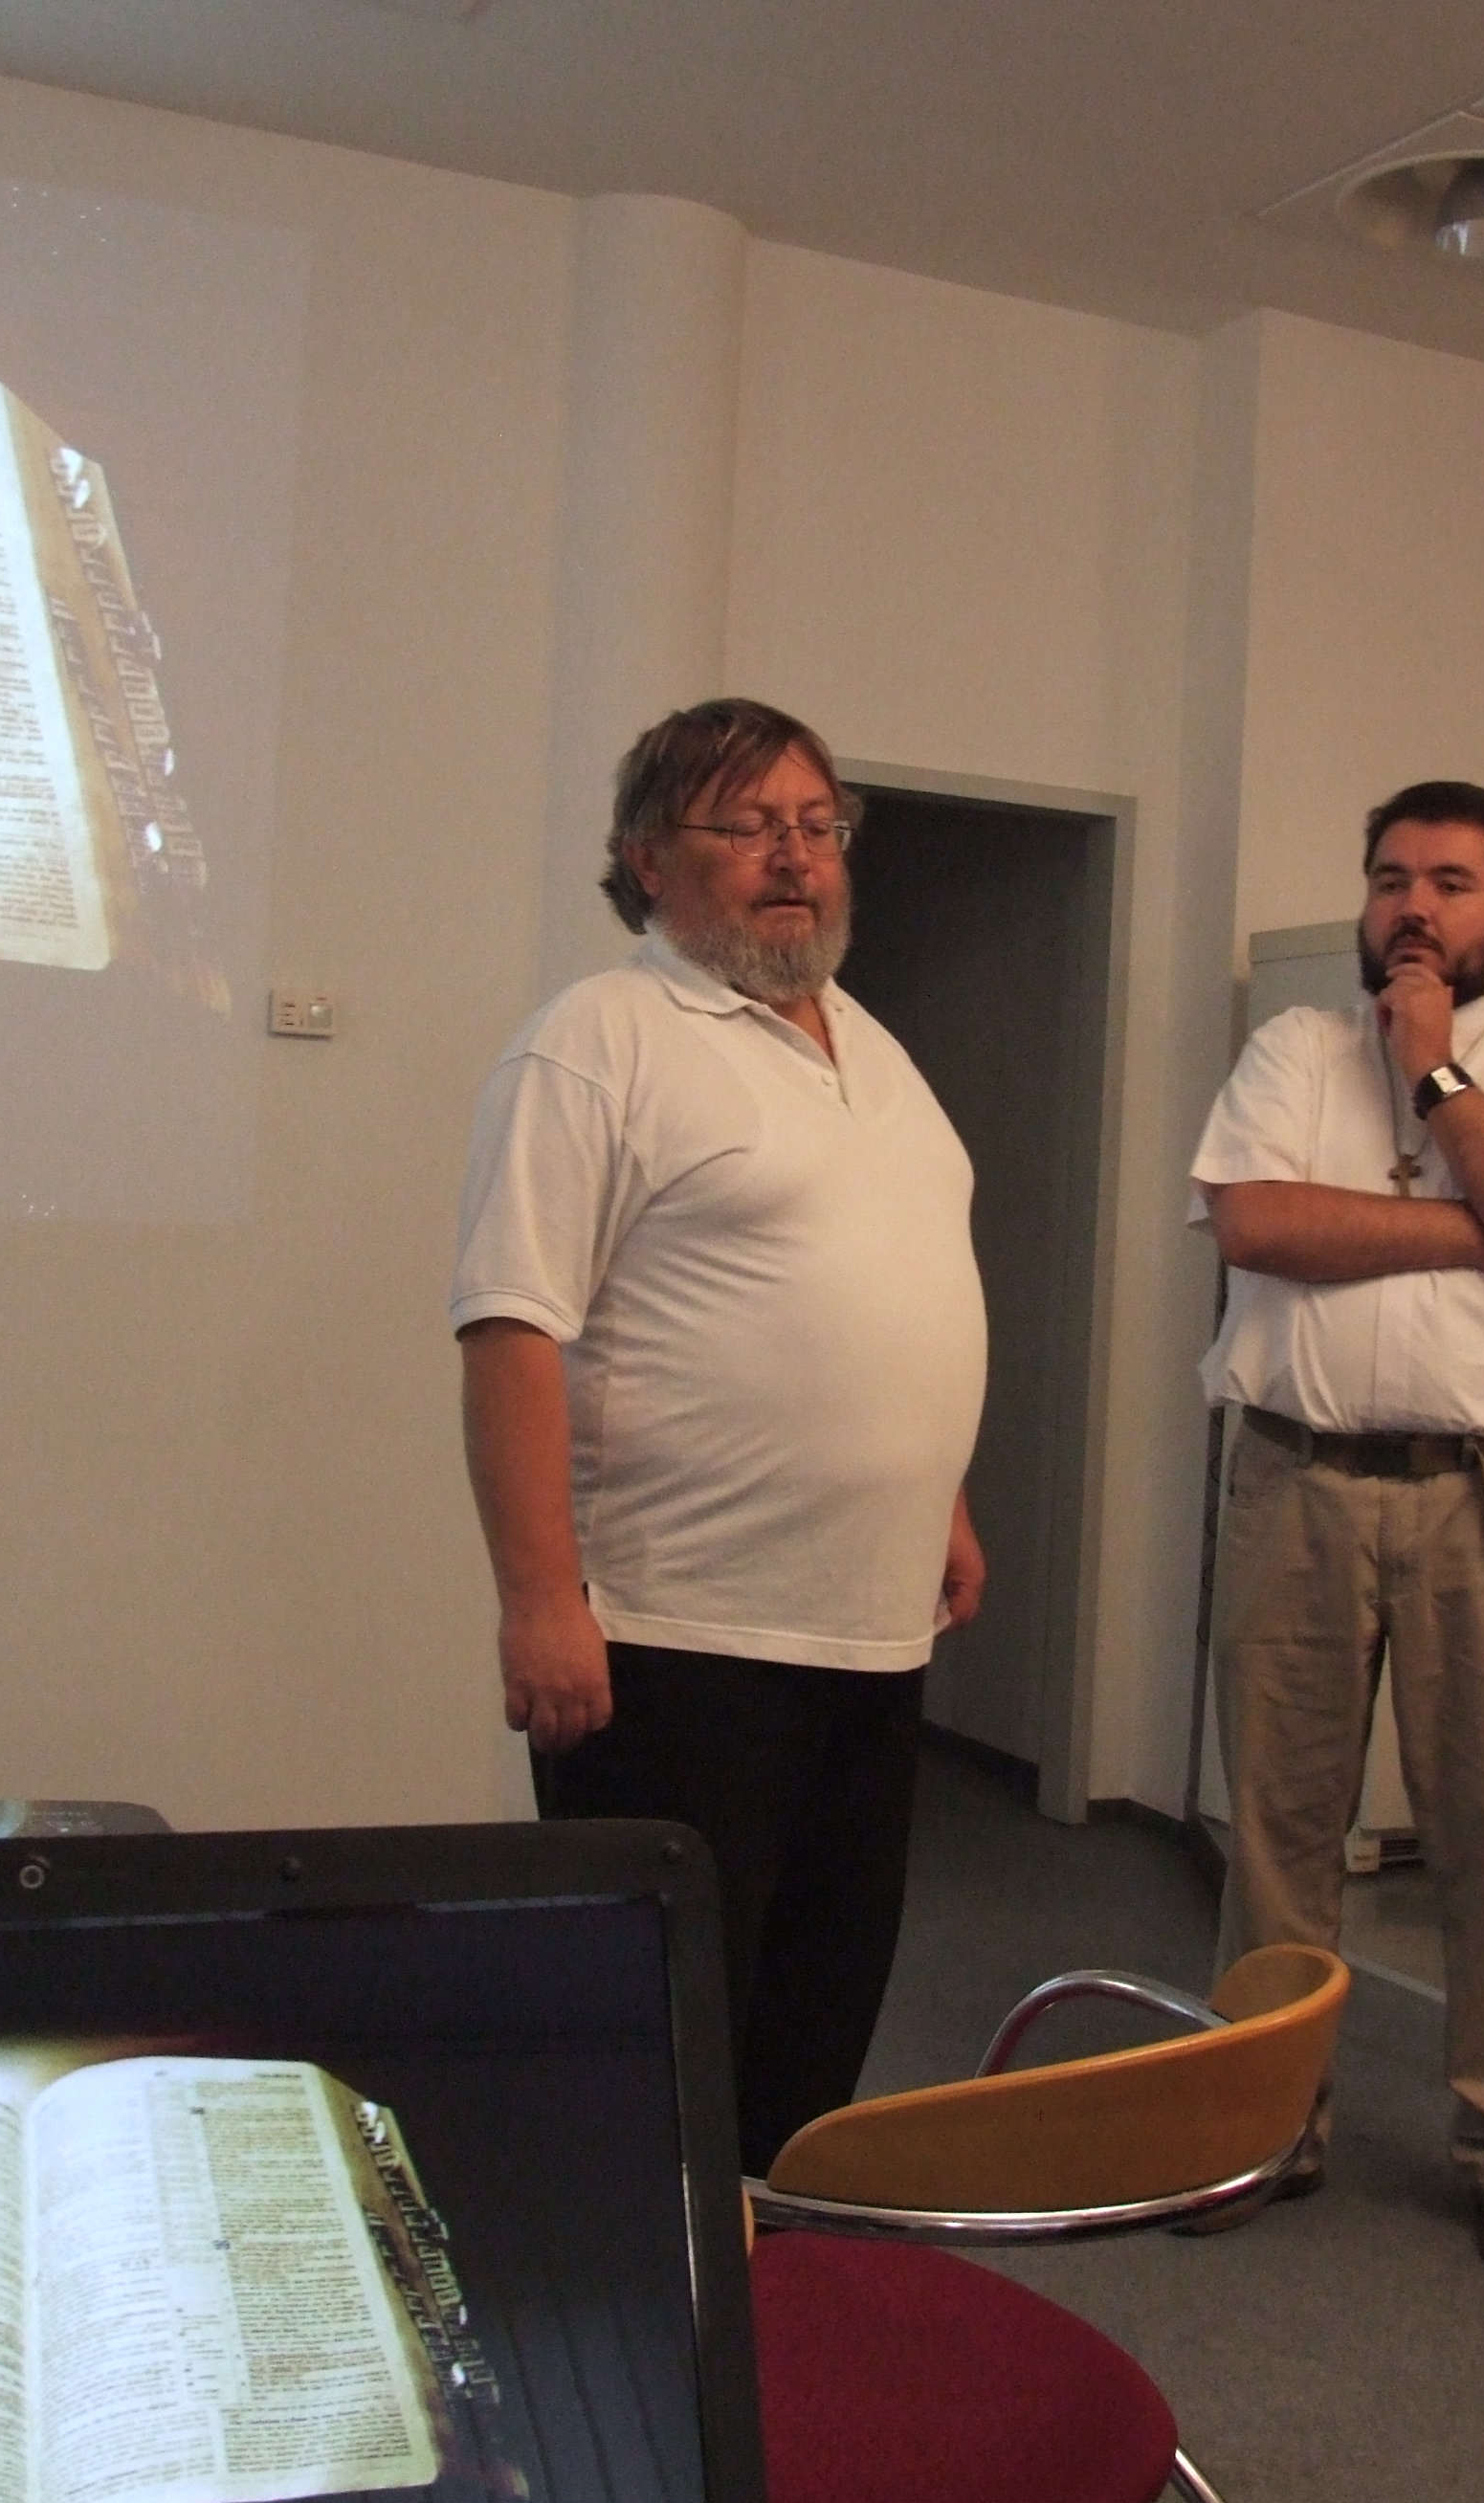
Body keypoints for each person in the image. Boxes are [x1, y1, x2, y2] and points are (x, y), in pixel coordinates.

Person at [452, 697, 987, 2176]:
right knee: (658, 2055)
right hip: (675, 1645)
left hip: (870, 1642)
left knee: (812, 2043)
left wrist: (939, 1494)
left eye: (816, 824)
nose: (794, 855)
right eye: (746, 826)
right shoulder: (597, 1040)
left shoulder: (874, 1047)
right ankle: (644, 2312)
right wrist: (540, 1600)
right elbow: (509, 1328)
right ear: (646, 860)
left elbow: (892, 1288)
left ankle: (772, 2292)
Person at [1188, 779, 1484, 2279]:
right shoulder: (1290, 1051)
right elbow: (1259, 1226)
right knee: (1276, 1835)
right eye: (1391, 880)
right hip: (1295, 1484)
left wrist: (1437, 1075)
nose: (1414, 909)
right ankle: (1265, 2126)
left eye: (1450, 883)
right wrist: (1476, 1230)